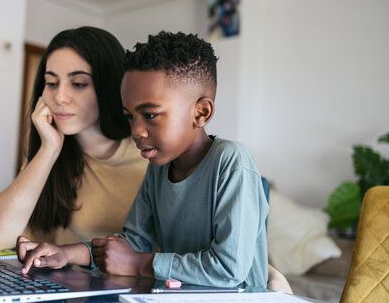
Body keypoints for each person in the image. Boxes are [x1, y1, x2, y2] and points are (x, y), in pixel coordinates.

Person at [17, 31, 269, 288]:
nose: (136, 131)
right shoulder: (159, 168)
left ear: (201, 112)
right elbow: (134, 241)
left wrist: (141, 264)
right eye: (130, 116)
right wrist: (67, 253)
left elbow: (229, 269)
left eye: (149, 115)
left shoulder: (231, 162)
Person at [0, 27, 147, 253]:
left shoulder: (148, 153)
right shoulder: (54, 152)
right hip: (75, 283)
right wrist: (48, 149)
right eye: (51, 83)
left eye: (78, 84)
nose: (60, 97)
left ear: (109, 87)